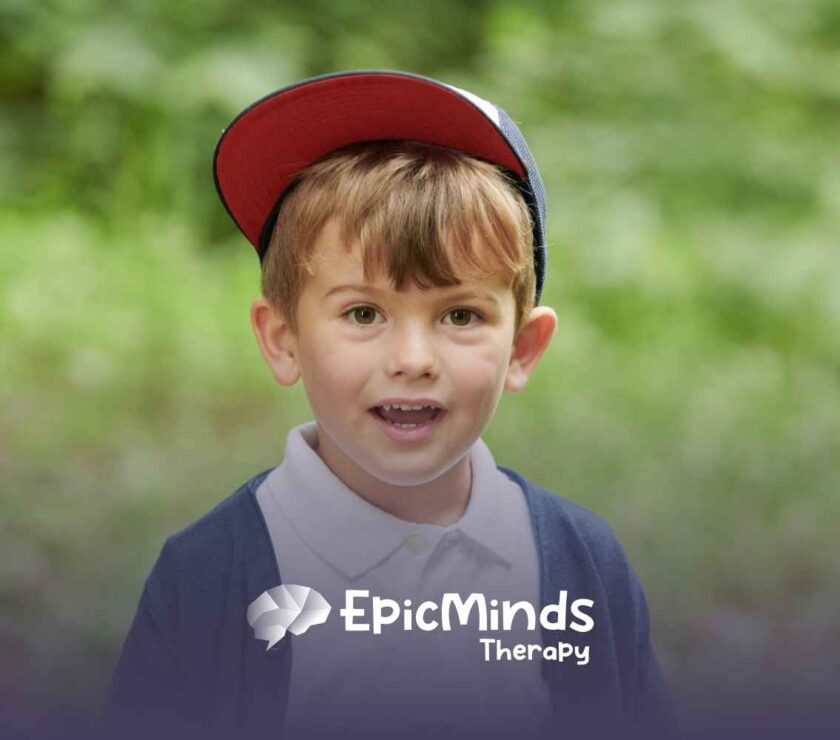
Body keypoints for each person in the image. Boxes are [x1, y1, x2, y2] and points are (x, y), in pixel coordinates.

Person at [100, 70, 679, 740]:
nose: (412, 359)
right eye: (363, 313)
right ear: (284, 340)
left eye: (460, 315)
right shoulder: (207, 577)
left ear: (522, 348)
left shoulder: (583, 566)